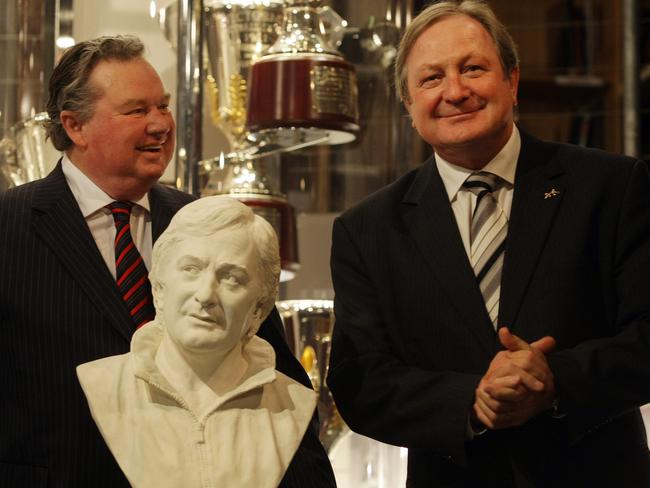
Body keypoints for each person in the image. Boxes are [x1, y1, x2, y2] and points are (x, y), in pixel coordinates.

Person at [327, 1, 650, 487]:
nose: (455, 91)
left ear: (512, 82)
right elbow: (360, 383)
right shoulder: (366, 228)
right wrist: (473, 399)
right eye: (431, 79)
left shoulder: (612, 186)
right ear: (409, 107)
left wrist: (554, 381)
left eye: (473, 68)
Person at [0, 35, 334, 487]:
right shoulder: (10, 226)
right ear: (75, 126)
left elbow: (272, 374)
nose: (160, 124)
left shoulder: (210, 223)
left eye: (164, 106)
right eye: (137, 110)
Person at [77, 196, 323, 488]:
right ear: (159, 287)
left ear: (258, 309)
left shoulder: (292, 405)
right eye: (191, 269)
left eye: (231, 278)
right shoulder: (99, 387)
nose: (206, 295)